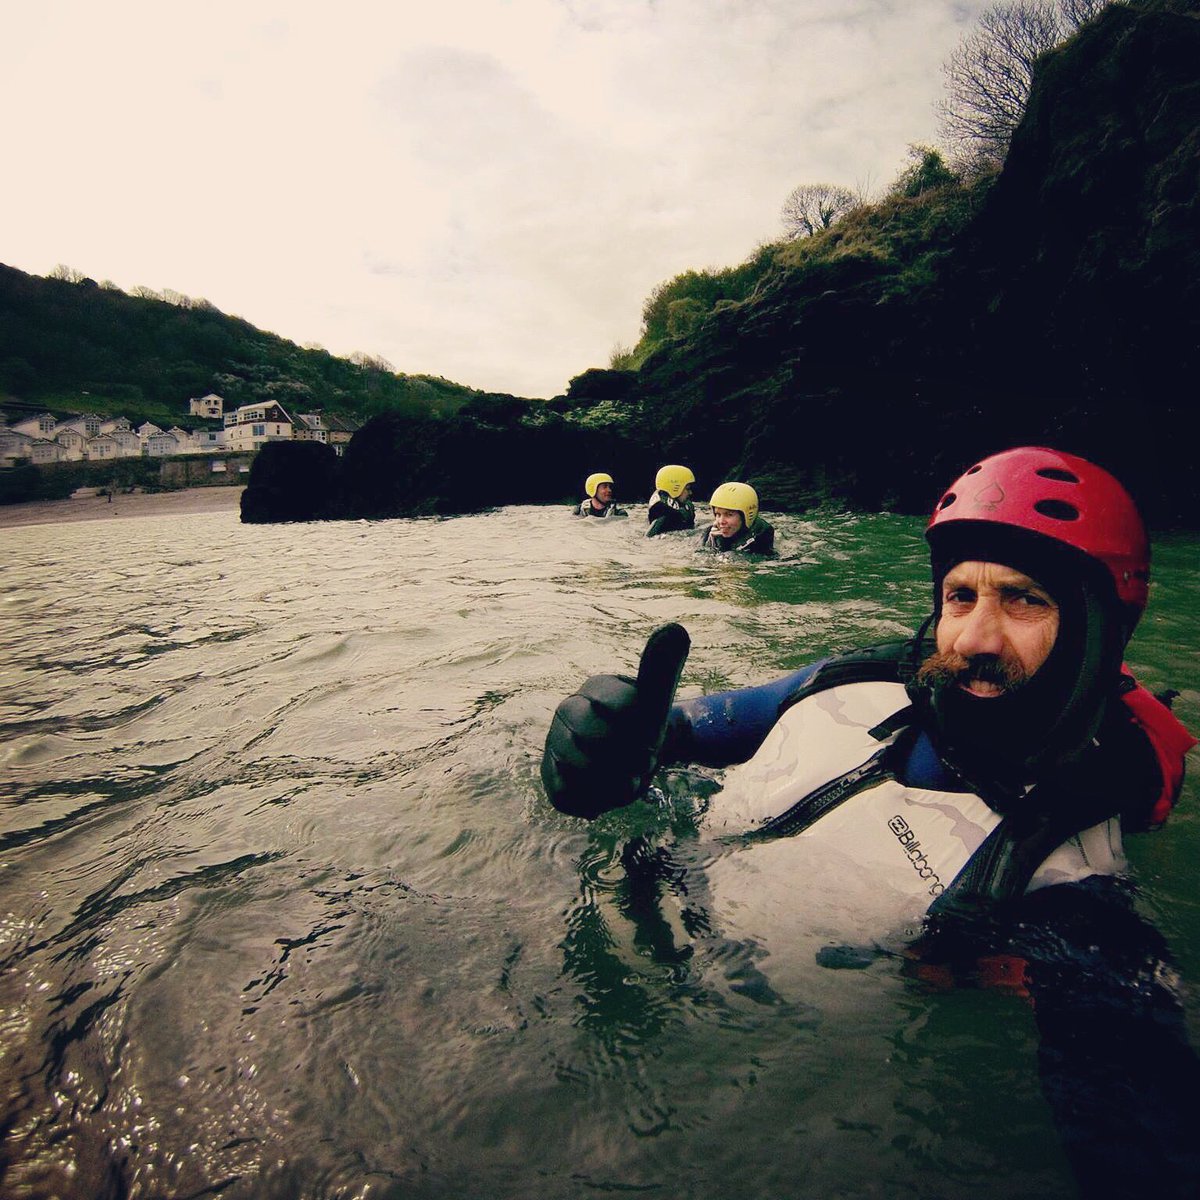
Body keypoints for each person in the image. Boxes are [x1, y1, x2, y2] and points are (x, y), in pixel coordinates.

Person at [542, 446, 1199, 1198]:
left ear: (1094, 630)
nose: (974, 639)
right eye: (960, 596)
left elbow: (1136, 1122)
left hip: (694, 1087)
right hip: (587, 964)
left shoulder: (1064, 889)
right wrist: (611, 740)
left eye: (1024, 600)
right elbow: (685, 729)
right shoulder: (849, 683)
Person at [697, 482, 775, 555]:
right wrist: (714, 544)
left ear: (745, 516)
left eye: (729, 515)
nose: (721, 521)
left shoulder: (762, 532)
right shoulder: (710, 532)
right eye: (718, 514)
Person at [646, 464, 696, 537]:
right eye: (687, 489)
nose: (690, 493)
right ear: (674, 488)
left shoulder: (681, 505)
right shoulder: (664, 512)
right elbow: (648, 537)